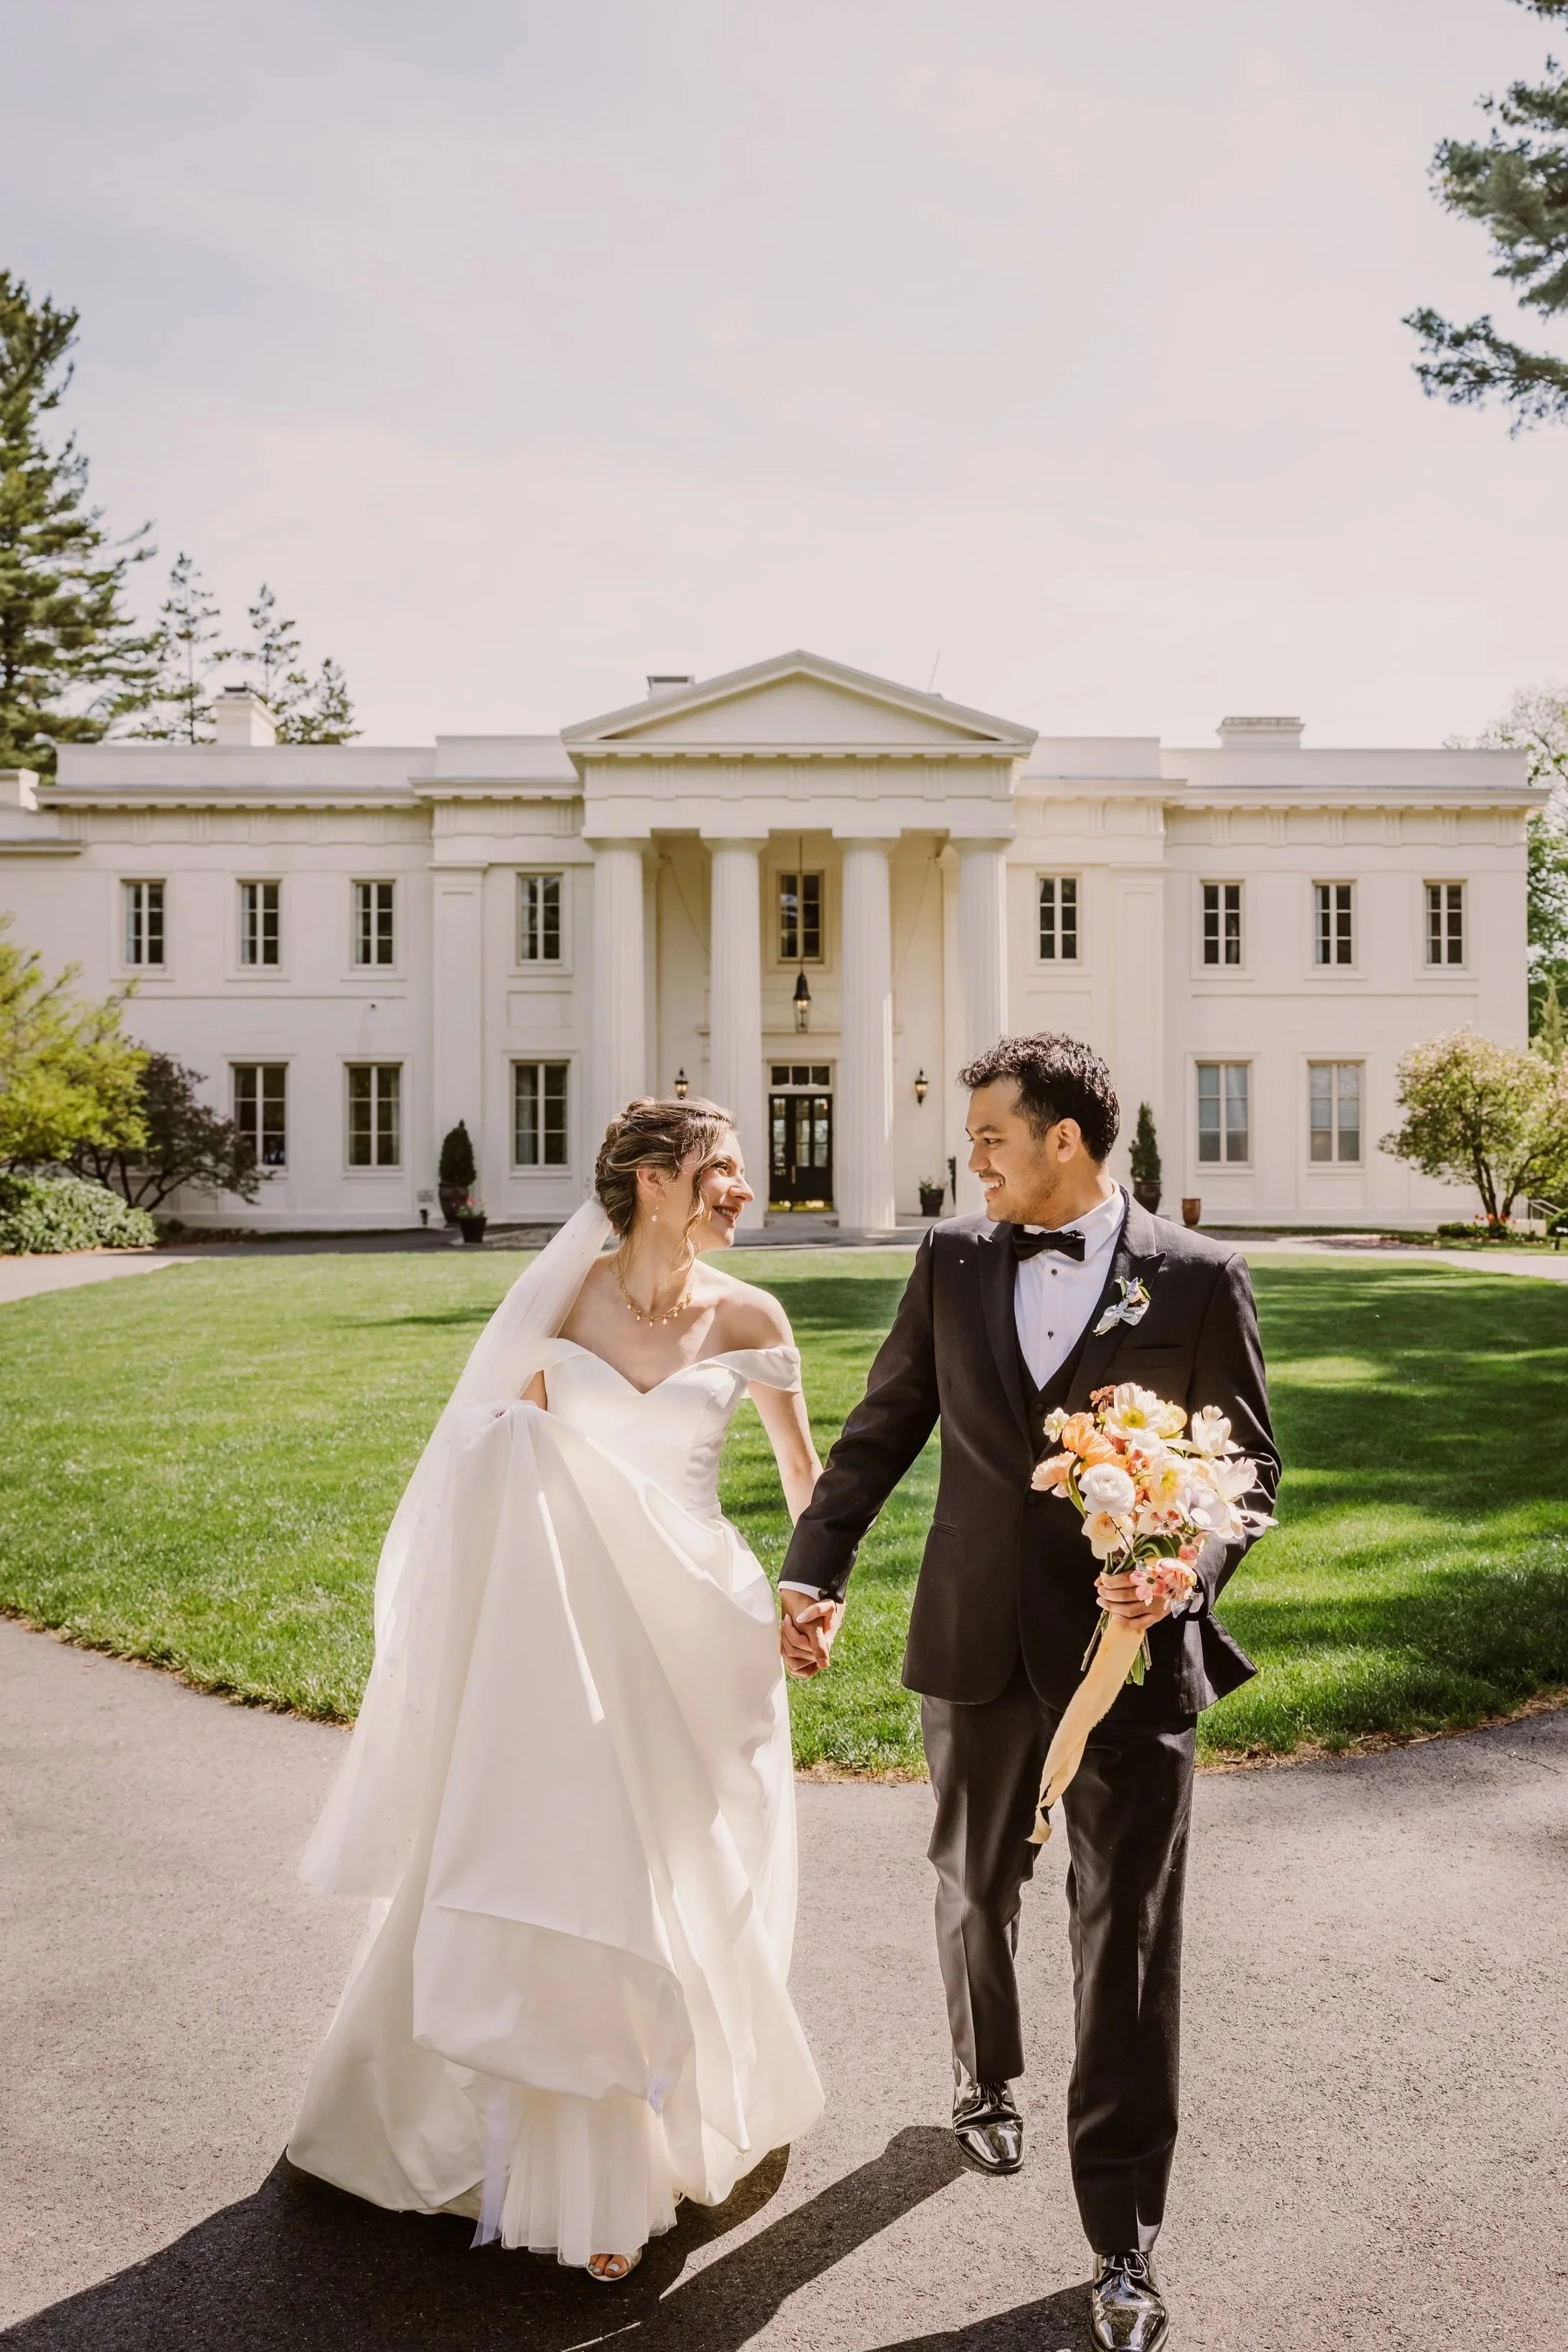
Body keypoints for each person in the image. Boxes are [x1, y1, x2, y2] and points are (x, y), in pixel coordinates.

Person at [778, 1034, 1278, 2352]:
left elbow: (1250, 1470)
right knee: (974, 1881)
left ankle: (1122, 2238)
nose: (972, 1155)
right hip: (976, 1640)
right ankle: (981, 2069)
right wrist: (812, 1569)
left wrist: (1183, 1567)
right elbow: (884, 1423)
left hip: (1130, 1658)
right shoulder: (949, 1260)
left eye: (990, 1133)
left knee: (1126, 1938)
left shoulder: (1197, 1276)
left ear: (1065, 1138)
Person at [288, 1099, 825, 2281]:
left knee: (691, 1859)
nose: (745, 1188)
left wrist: (809, 1591)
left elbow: (805, 1478)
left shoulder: (750, 1312)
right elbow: (481, 1467)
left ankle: (679, 2104)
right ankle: (587, 2168)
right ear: (649, 1181)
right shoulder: (559, 1301)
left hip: (703, 1627)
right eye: (721, 1170)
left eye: (741, 1169)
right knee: (579, 1863)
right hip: (570, 1644)